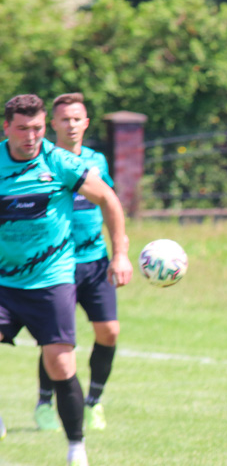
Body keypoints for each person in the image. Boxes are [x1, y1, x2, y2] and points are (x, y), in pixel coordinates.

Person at [0, 95, 133, 466]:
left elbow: (108, 199)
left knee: (61, 364)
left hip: (52, 280)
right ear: (7, 127)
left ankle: (77, 448)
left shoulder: (58, 162)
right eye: (23, 128)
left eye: (38, 128)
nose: (31, 136)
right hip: (5, 283)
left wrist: (120, 252)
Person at [33, 93, 120, 433]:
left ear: (86, 123)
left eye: (77, 119)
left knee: (109, 331)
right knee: (56, 340)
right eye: (64, 119)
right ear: (52, 124)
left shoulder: (97, 161)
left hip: (95, 261)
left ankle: (94, 402)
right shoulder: (44, 162)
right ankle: (44, 402)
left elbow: (109, 201)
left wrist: (119, 252)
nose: (71, 125)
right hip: (57, 265)